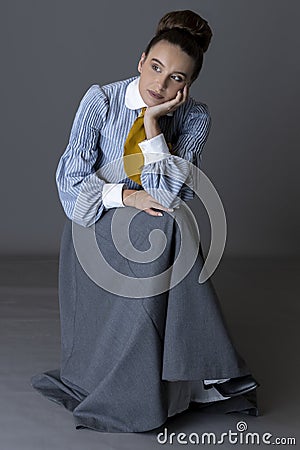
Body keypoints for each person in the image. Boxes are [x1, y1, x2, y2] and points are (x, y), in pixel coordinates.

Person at [31, 10, 260, 433]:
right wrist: (126, 194)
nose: (161, 84)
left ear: (187, 85)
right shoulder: (101, 101)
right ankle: (200, 371)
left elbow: (171, 195)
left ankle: (169, 383)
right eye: (156, 68)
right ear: (140, 61)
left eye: (177, 77)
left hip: (155, 224)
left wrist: (154, 127)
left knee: (169, 222)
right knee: (171, 226)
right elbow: (71, 189)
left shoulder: (194, 118)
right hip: (97, 220)